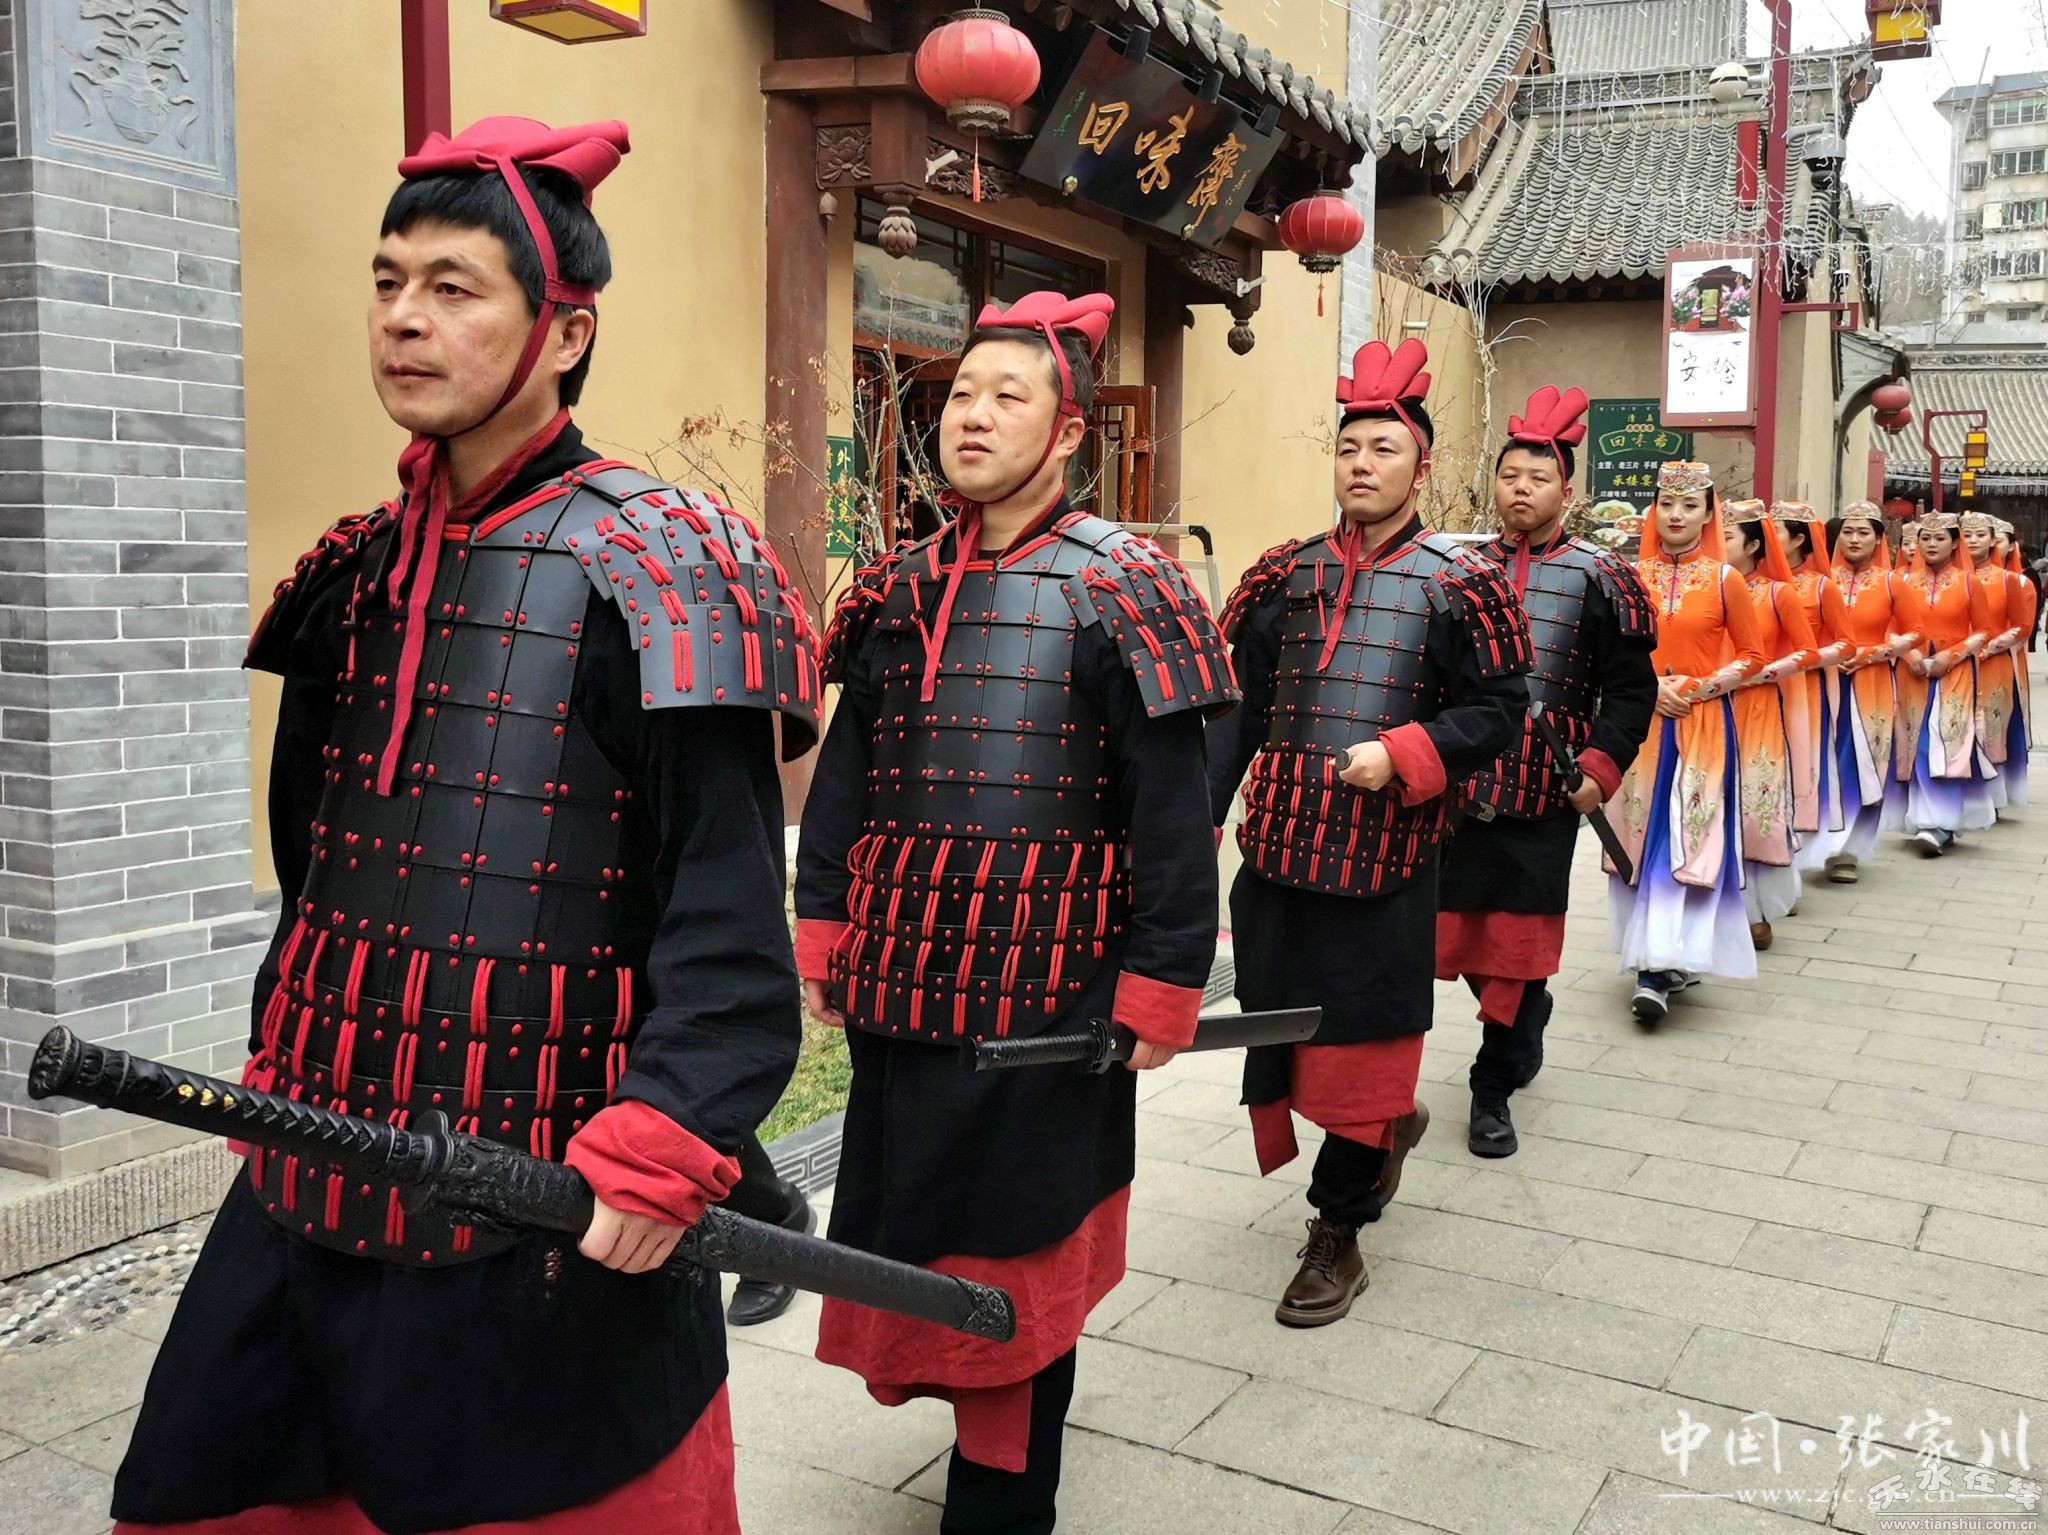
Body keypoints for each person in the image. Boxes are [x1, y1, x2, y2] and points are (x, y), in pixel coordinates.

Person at [109, 119, 817, 1535]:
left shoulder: (661, 570)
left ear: (564, 332)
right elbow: (313, 858)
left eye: (453, 285)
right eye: (386, 282)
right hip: (315, 1141)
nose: (404, 318)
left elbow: (729, 920)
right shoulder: (355, 572)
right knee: (209, 1480)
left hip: (540, 1182)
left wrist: (671, 1130)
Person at [794, 290, 1232, 1534]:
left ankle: (1001, 1502)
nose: (972, 417)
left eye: (1008, 396)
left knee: (1020, 1266)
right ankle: (971, 1440)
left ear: (1068, 429)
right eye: (960, 395)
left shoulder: (1126, 584)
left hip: (1052, 1004)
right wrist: (817, 924)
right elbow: (845, 774)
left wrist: (1161, 979)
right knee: (920, 1243)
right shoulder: (896, 584)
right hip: (904, 989)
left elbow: (1170, 803)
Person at [1208, 338, 1531, 1322]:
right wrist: (1191, 822)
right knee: (1284, 1033)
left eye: (1382, 447)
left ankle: (1337, 1228)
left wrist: (1404, 751)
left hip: (1382, 862)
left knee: (1361, 1050)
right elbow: (1238, 708)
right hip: (1276, 855)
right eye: (1349, 444)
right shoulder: (1282, 576)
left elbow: (1500, 709)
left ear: (1418, 465)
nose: (1361, 462)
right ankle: (1384, 1125)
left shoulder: (1460, 581)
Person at [1435, 386, 1656, 1158]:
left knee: (1519, 949)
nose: (1520, 489)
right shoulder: (1456, 570)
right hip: (1458, 791)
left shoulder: (1604, 576)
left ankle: (1492, 1086)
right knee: (1450, 939)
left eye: (1538, 476)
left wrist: (1600, 763)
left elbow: (1631, 690)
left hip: (1545, 791)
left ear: (1568, 489)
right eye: (1509, 475)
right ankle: (1526, 1018)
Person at [1605, 461, 1765, 1022]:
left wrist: (1697, 687)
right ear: (1654, 509)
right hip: (1639, 726)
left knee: (1686, 836)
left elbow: (1753, 657)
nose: (1676, 515)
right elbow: (1607, 654)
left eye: (1690, 505)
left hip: (1702, 725)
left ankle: (1660, 964)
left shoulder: (1726, 580)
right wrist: (1649, 689)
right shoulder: (1625, 575)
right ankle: (1653, 953)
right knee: (1640, 833)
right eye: (1667, 504)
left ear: (1707, 513)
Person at [1721, 506, 1821, 950]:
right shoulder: (1704, 586)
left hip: (1758, 707)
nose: (1717, 543)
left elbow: (1808, 651)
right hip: (1704, 707)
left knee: (1755, 807)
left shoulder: (1779, 594)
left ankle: (1756, 908)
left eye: (1727, 536)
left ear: (1754, 545)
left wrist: (1768, 671)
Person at [1819, 503, 1915, 884]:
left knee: (1862, 762)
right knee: (1821, 760)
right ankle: (1813, 841)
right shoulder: (1823, 580)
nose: (1854, 539)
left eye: (1863, 532)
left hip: (1871, 682)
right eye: (1847, 531)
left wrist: (1873, 654)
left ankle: (1849, 851)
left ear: (1879, 539)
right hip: (1824, 681)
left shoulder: (1893, 583)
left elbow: (1916, 633)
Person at [1894, 512, 1996, 855]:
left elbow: (1983, 631)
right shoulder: (1903, 583)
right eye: (1925, 539)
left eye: (1940, 539)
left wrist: (1948, 657)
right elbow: (1891, 628)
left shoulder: (1969, 583)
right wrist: (1911, 658)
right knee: (1916, 743)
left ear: (1956, 543)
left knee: (1946, 744)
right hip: (1913, 674)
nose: (1932, 544)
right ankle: (1926, 820)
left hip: (1955, 674)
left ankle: (1939, 823)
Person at [1773, 505, 1856, 874]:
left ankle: (1811, 851)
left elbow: (1846, 644)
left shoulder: (1821, 587)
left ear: (1799, 540)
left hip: (1807, 691)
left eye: (1775, 531)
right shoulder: (1744, 583)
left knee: (1806, 766)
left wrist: (1802, 659)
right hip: (1755, 690)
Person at [1961, 512, 2027, 815]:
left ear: (1993, 541)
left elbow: (2022, 627)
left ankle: (1991, 798)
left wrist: (1989, 648)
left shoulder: (2009, 580)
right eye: (1967, 534)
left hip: (1993, 665)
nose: (1973, 540)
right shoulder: (1951, 579)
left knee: (1989, 728)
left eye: (1980, 535)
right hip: (1956, 664)